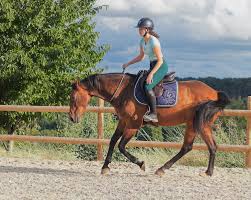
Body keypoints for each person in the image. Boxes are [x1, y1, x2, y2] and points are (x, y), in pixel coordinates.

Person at [122, 17, 168, 123]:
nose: (139, 30)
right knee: (139, 81)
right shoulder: (142, 41)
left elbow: (160, 61)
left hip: (160, 66)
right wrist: (128, 64)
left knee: (148, 86)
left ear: (147, 29)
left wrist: (151, 74)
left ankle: (154, 114)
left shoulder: (154, 41)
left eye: (141, 29)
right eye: (139, 29)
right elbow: (141, 57)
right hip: (153, 65)